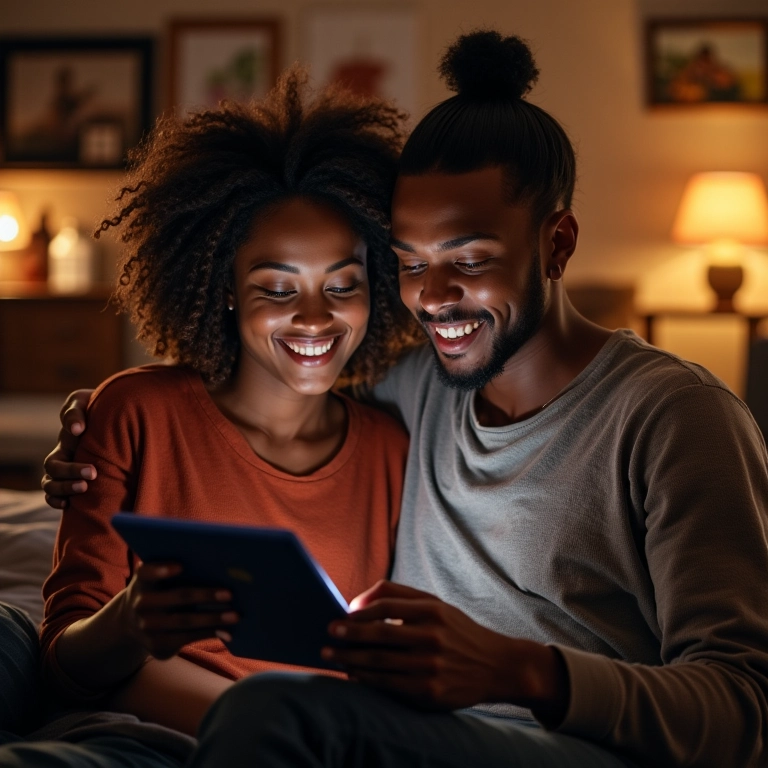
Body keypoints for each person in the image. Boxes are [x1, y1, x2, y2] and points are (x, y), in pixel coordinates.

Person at [43, 30, 768, 768]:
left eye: (470, 259)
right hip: (411, 733)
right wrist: (96, 422)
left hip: (568, 744)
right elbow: (280, 364)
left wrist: (520, 670)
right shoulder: (417, 384)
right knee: (12, 636)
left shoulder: (679, 419)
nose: (434, 298)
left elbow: (746, 711)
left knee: (276, 713)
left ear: (558, 244)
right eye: (411, 263)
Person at [1, 65, 423, 767]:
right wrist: (130, 625)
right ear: (224, 289)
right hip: (127, 733)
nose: (315, 317)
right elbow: (66, 662)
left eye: (341, 285)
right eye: (277, 287)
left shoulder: (392, 451)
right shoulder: (136, 412)